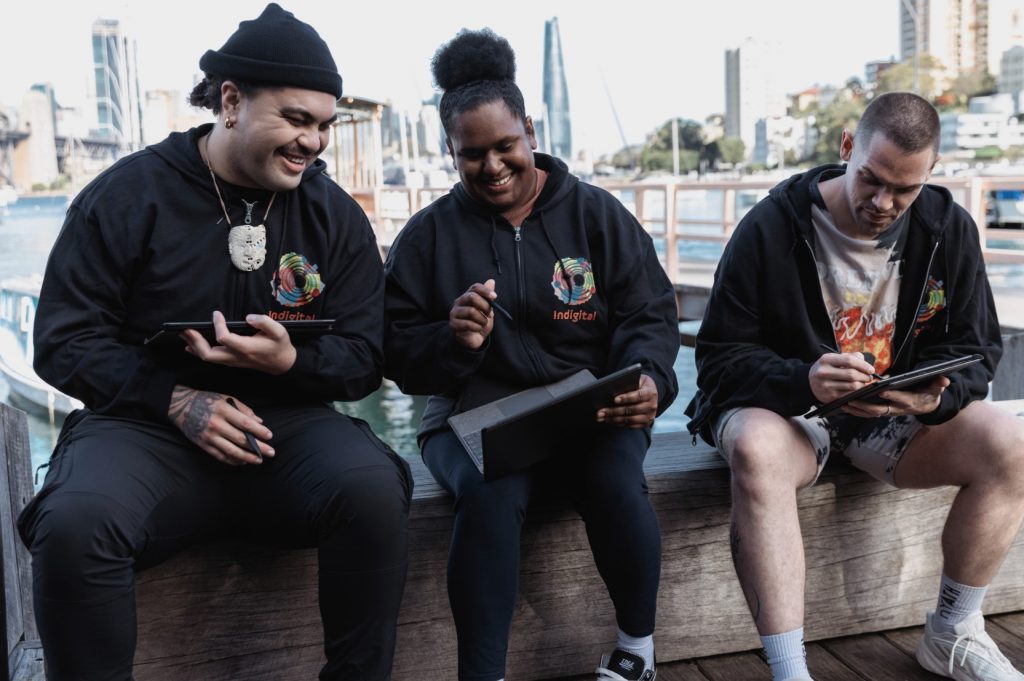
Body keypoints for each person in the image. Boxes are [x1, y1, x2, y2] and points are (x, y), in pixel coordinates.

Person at [17, 5, 412, 680]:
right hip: (143, 427)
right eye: (295, 119)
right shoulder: (126, 196)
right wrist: (175, 399)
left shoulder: (335, 216)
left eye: (324, 124)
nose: (314, 141)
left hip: (283, 430)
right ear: (231, 101)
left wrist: (293, 361)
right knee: (76, 523)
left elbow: (366, 357)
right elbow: (61, 340)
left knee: (374, 487)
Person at [686, 91, 1024, 681]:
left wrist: (933, 397)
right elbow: (717, 358)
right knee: (753, 449)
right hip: (790, 414)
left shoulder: (947, 227)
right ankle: (791, 671)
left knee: (1012, 443)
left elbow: (977, 349)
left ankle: (952, 631)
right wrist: (803, 378)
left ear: (930, 175)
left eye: (905, 189)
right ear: (847, 148)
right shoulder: (772, 224)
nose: (883, 202)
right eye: (870, 179)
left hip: (891, 415)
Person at [383, 28, 679, 681]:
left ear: (530, 129)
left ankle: (638, 650)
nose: (491, 165)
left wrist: (652, 378)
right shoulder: (427, 238)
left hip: (588, 407)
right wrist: (452, 340)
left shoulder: (597, 215)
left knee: (614, 481)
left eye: (505, 146)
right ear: (448, 151)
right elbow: (398, 353)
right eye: (471, 154)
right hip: (472, 415)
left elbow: (650, 313)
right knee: (488, 493)